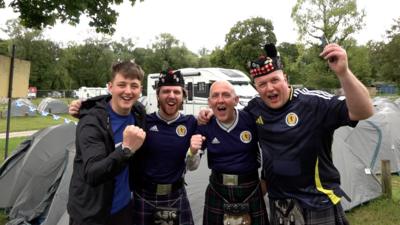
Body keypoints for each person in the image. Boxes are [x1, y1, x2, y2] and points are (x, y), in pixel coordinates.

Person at [199, 43, 374, 225]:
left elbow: (364, 111)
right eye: (262, 84)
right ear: (256, 88)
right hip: (279, 204)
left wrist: (343, 73)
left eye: (275, 80)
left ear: (286, 78)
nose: (270, 88)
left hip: (316, 202)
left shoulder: (313, 103)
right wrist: (210, 114)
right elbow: (231, 116)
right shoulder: (255, 109)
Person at [69, 69, 198, 225]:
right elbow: (118, 100)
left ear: (183, 95)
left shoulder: (192, 123)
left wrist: (195, 147)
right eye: (165, 91)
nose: (171, 96)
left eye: (176, 92)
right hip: (143, 196)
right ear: (157, 95)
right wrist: (85, 107)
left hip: (175, 195)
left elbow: (193, 164)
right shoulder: (143, 120)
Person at [67, 61, 147, 225]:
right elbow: (93, 173)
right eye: (122, 85)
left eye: (134, 86)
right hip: (91, 214)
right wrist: (126, 150)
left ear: (140, 90)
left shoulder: (138, 112)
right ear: (110, 87)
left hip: (124, 207)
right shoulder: (92, 122)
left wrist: (204, 118)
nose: (128, 91)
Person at [190, 80, 269, 225]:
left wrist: (265, 179)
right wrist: (192, 152)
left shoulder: (251, 120)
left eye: (226, 95)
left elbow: (271, 151)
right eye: (215, 96)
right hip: (217, 189)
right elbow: (191, 166)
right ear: (209, 102)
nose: (220, 100)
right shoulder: (205, 124)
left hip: (250, 188)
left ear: (236, 100)